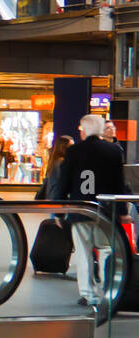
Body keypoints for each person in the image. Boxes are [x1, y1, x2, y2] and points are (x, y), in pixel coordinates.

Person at [61, 113, 127, 306]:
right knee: (106, 248)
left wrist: (59, 208)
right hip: (105, 210)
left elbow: (64, 181)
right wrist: (122, 211)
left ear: (84, 130)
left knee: (83, 251)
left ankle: (89, 294)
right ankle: (109, 288)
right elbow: (119, 184)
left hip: (80, 208)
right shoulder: (114, 151)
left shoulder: (74, 151)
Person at [35, 135, 72, 200]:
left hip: (51, 198)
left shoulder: (54, 161)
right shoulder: (61, 162)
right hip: (58, 200)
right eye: (71, 146)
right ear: (64, 147)